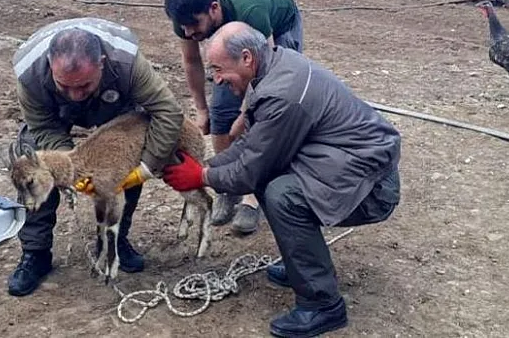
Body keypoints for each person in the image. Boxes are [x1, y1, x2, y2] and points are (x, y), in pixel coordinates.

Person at [162, 22, 402, 338]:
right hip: (346, 164)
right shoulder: (276, 64)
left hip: (371, 186)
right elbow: (255, 145)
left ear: (246, 58)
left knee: (282, 194)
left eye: (219, 69)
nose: (216, 79)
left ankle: (323, 304)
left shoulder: (283, 94)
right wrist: (210, 166)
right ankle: (303, 269)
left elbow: (251, 169)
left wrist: (202, 176)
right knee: (274, 183)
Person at [8, 17, 185, 296]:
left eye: (83, 86)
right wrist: (70, 166)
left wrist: (147, 167)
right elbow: (42, 126)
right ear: (49, 65)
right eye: (64, 85)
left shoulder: (127, 64)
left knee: (125, 159)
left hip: (115, 107)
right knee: (33, 164)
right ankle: (36, 252)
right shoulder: (29, 74)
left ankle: (114, 239)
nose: (75, 95)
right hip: (54, 118)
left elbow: (168, 112)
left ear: (102, 63)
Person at [163, 0, 304, 235]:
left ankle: (252, 196)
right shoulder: (185, 18)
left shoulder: (251, 11)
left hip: (278, 29)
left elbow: (266, 72)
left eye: (194, 25)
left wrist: (246, 114)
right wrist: (202, 110)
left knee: (267, 114)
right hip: (235, 35)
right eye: (183, 28)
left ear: (214, 9)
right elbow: (192, 61)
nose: (188, 32)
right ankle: (228, 187)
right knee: (220, 112)